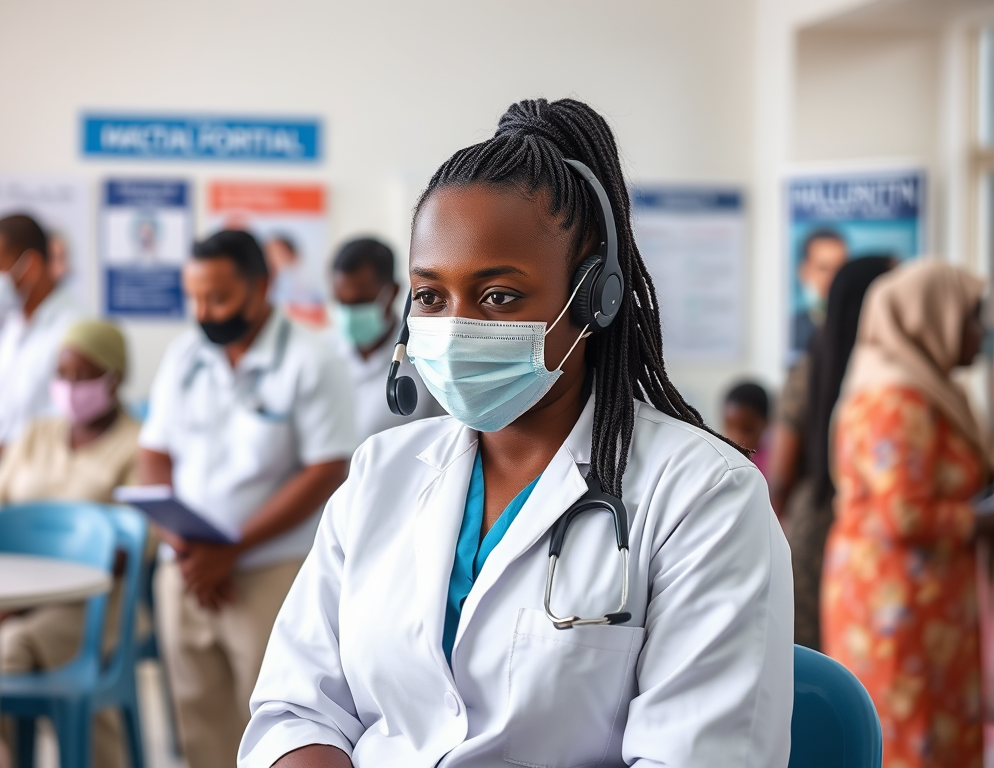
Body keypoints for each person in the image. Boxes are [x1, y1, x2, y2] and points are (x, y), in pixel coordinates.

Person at [240, 98, 793, 768]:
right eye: (430, 297)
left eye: (499, 296)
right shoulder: (380, 474)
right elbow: (296, 711)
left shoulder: (704, 496)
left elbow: (698, 756)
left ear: (596, 297)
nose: (455, 326)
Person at [137, 229, 356, 768]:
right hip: (185, 571)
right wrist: (183, 545)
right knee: (198, 719)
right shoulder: (186, 354)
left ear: (261, 287)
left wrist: (231, 549)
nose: (204, 311)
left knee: (272, 729)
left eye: (219, 297)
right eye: (193, 297)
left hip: (267, 573)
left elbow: (326, 469)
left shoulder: (312, 359)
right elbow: (155, 454)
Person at [821, 260, 989, 768]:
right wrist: (980, 519)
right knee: (908, 741)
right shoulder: (895, 398)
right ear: (931, 317)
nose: (982, 331)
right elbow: (904, 517)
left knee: (939, 732)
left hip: (931, 598)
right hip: (897, 604)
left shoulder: (935, 390)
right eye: (972, 316)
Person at [0, 319, 140, 768]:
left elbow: (134, 541)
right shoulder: (37, 434)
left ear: (114, 376)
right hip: (12, 595)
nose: (70, 386)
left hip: (92, 605)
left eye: (83, 375)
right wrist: (16, 583)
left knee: (6, 649)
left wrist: (29, 579)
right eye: (62, 374)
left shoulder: (136, 445)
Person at [769, 256, 893, 649]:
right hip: (871, 532)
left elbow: (780, 477)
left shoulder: (810, 367)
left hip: (814, 520)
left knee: (813, 671)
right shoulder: (889, 376)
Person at [0, 213, 85, 469]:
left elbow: (70, 438)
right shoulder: (16, 323)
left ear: (31, 265)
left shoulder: (74, 331)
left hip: (38, 477)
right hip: (0, 469)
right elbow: (4, 416)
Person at [330, 237, 443, 441]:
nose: (348, 314)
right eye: (341, 302)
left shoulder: (428, 361)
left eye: (359, 302)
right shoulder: (323, 352)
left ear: (392, 292)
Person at [792, 228, 848, 354]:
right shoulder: (789, 331)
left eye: (840, 268)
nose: (833, 278)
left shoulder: (862, 327)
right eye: (823, 268)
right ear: (804, 272)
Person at [722, 380, 770, 474]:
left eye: (746, 430)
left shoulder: (771, 465)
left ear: (766, 423)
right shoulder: (721, 459)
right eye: (729, 427)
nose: (735, 439)